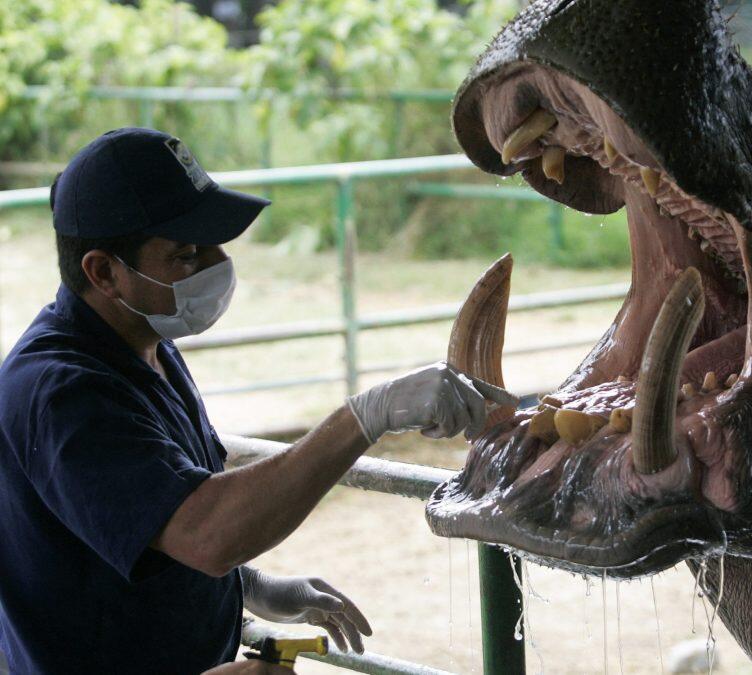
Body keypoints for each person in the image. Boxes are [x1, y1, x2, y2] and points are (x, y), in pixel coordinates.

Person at [0, 128, 517, 674]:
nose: (217, 265)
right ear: (104, 273)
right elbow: (205, 532)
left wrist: (247, 587)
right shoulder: (62, 393)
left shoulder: (144, 343)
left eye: (215, 245)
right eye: (186, 254)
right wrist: (367, 415)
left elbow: (146, 515)